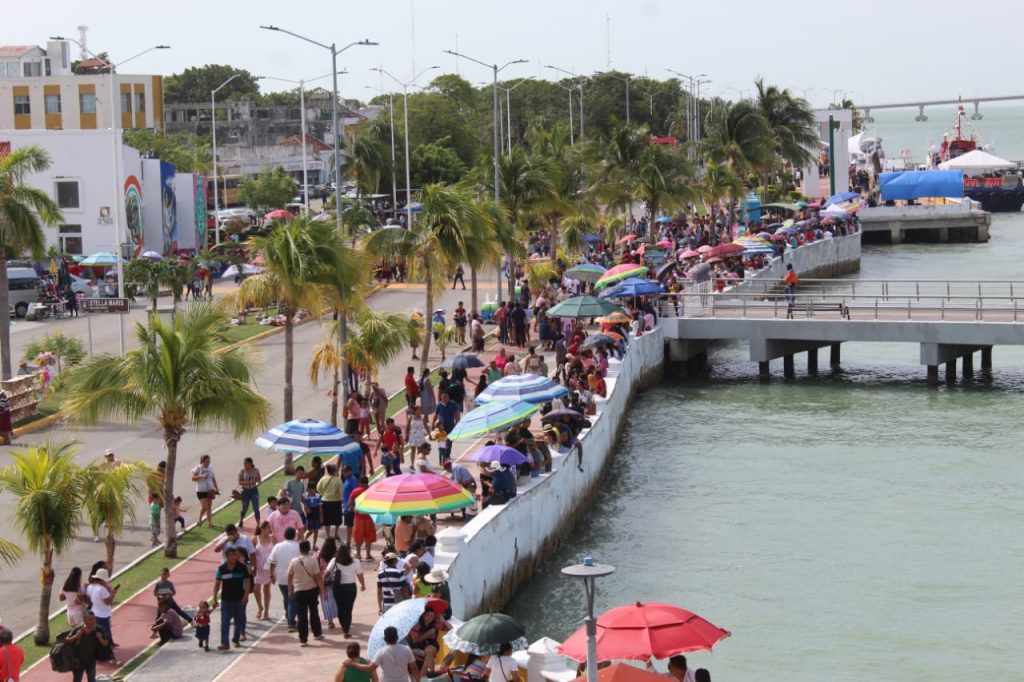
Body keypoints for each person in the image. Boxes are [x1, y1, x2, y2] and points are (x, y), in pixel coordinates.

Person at [212, 546, 251, 650]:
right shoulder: (222, 569)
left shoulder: (242, 567)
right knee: (225, 621)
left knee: (239, 620)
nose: (234, 557)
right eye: (231, 555)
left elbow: (247, 582)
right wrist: (215, 598)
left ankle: (236, 639)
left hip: (239, 598)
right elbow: (217, 584)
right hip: (226, 600)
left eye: (235, 555)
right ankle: (225, 643)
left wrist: (246, 595)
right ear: (227, 556)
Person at [288, 540, 326, 646]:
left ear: (300, 549)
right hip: (312, 590)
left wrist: (290, 590)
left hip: (299, 591)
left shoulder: (294, 561)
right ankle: (317, 633)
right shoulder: (313, 560)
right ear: (309, 548)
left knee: (301, 616)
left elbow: (290, 576)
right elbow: (318, 577)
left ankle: (303, 639)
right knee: (314, 612)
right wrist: (323, 591)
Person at [326, 543, 365, 638]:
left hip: (337, 587)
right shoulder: (355, 561)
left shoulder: (334, 560)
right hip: (350, 587)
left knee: (340, 607)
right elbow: (359, 574)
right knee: (348, 609)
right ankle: (346, 629)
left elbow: (326, 573)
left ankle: (344, 626)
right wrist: (363, 584)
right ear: (349, 551)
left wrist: (324, 584)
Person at [266, 526, 301, 631]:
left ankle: (288, 615)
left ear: (284, 535)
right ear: (294, 535)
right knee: (292, 599)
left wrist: (272, 575)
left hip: (281, 577)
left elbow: (272, 562)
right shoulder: (298, 546)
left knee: (287, 597)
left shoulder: (278, 546)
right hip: (295, 578)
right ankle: (291, 621)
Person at [65, 612, 110, 682]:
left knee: (91, 679)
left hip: (91, 660)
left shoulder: (98, 629)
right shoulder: (78, 629)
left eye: (94, 619)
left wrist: (100, 638)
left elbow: (106, 643)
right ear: (84, 620)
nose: (93, 621)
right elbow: (66, 641)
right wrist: (75, 637)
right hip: (78, 661)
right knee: (77, 679)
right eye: (90, 619)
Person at [84, 568, 119, 659]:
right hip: (103, 615)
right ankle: (109, 654)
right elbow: (108, 602)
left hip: (95, 613)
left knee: (97, 634)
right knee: (106, 635)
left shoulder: (90, 587)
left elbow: (89, 599)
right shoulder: (102, 589)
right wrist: (113, 593)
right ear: (102, 580)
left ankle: (97, 653)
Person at [251, 521, 275, 620]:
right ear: (263, 528)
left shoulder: (273, 538)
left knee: (267, 589)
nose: (271, 529)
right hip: (258, 567)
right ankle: (260, 606)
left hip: (269, 568)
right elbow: (250, 554)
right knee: (256, 589)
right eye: (269, 528)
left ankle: (266, 612)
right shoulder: (254, 539)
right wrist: (252, 566)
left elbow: (277, 551)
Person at [349, 475, 377, 560]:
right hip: (369, 517)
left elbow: (350, 505)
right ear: (367, 482)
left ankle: (358, 554)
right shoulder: (372, 491)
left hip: (359, 518)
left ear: (359, 482)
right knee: (368, 537)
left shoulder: (355, 491)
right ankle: (368, 555)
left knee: (358, 537)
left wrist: (354, 510)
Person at [407, 609, 440, 678]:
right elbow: (415, 640)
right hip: (418, 647)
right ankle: (425, 675)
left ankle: (432, 673)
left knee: (429, 651)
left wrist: (443, 620)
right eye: (428, 616)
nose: (430, 618)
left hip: (431, 645)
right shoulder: (417, 625)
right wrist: (428, 634)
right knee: (423, 660)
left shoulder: (435, 624)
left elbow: (450, 628)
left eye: (432, 617)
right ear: (423, 615)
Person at [191, 454, 219, 528]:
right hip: (201, 491)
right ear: (202, 461)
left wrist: (216, 487)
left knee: (208, 507)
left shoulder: (211, 467)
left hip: (210, 490)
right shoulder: (198, 468)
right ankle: (201, 520)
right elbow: (193, 478)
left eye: (209, 461)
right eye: (206, 461)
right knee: (205, 507)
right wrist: (201, 476)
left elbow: (213, 478)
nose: (208, 463)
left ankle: (209, 523)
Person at [237, 457, 263, 528]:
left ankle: (258, 524)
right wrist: (249, 482)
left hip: (254, 490)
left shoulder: (256, 471)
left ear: (250, 463)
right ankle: (241, 520)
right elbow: (239, 482)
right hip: (245, 491)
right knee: (245, 507)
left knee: (256, 507)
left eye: (246, 463)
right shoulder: (242, 471)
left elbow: (259, 480)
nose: (244, 465)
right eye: (244, 463)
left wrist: (257, 481)